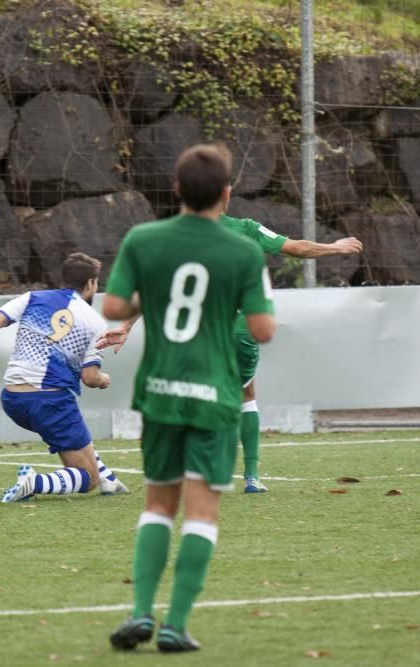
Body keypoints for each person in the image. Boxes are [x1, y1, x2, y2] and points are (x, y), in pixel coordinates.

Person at [104, 143, 275, 653]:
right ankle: (175, 625)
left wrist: (150, 296)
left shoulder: (143, 238)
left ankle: (140, 613)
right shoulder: (243, 250)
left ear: (175, 189)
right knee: (201, 512)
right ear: (226, 194)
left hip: (160, 391)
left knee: (158, 505)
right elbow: (263, 330)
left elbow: (114, 305)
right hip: (215, 395)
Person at [100, 215, 362, 493]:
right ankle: (250, 477)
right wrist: (335, 246)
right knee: (245, 395)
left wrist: (127, 325)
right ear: (224, 194)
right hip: (239, 331)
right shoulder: (245, 228)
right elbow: (296, 247)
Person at [0, 252, 128, 500]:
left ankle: (108, 479)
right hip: (49, 401)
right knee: (87, 478)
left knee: (76, 431)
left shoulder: (32, 297)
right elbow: (89, 377)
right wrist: (103, 379)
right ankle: (36, 482)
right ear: (90, 284)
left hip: (13, 399)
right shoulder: (94, 323)